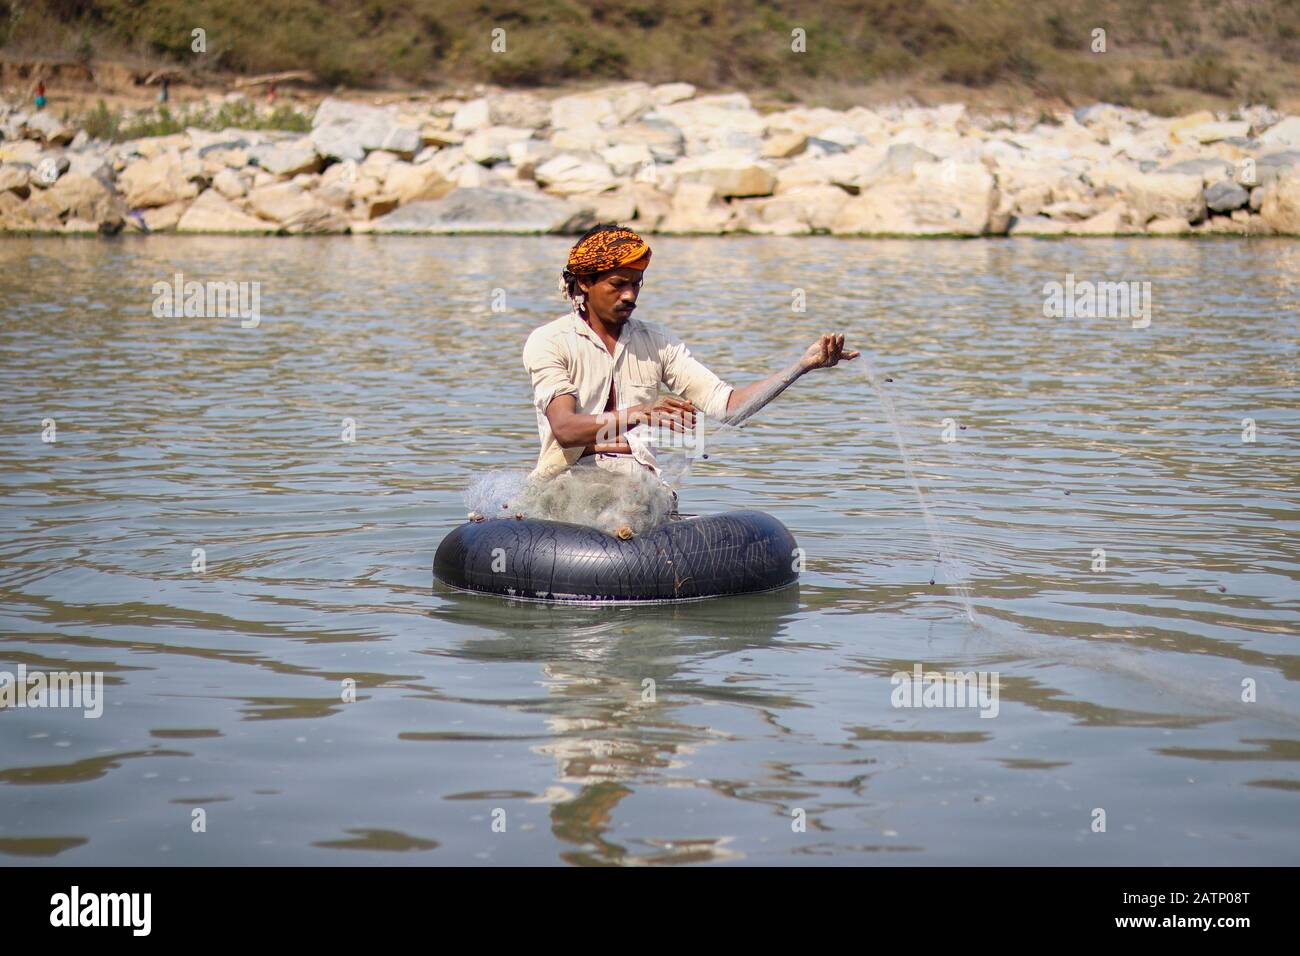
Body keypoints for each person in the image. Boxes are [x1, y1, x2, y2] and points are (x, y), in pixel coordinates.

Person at [521, 223, 858, 497]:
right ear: (585, 282)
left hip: (639, 489)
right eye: (618, 284)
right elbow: (565, 430)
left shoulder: (657, 342)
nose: (630, 295)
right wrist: (641, 413)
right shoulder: (550, 341)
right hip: (566, 486)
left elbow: (729, 407)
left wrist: (801, 366)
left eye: (637, 284)